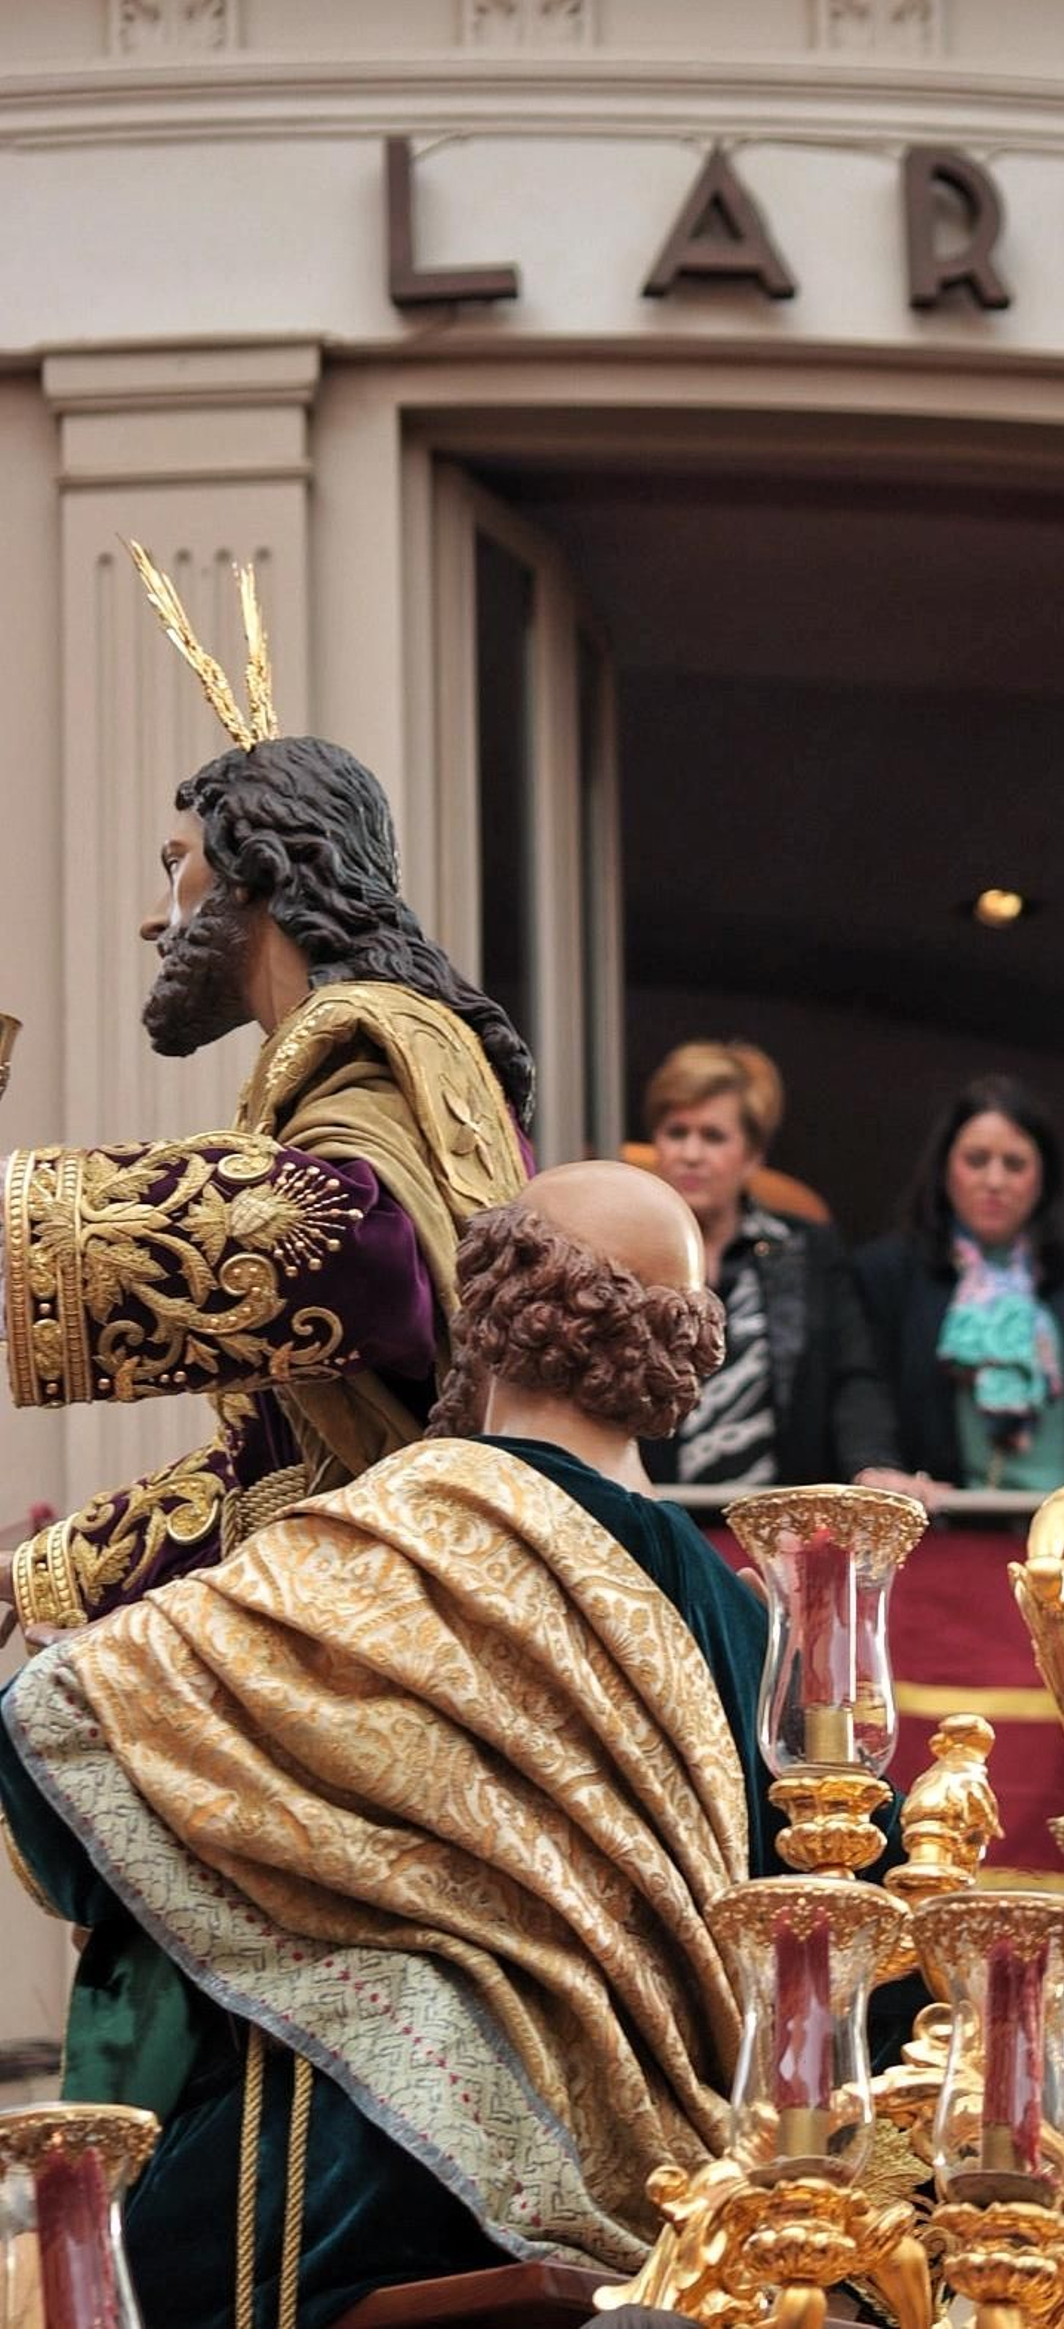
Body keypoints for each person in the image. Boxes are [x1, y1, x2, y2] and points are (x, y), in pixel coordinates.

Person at [0, 1163, 769, 2328]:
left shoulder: (429, 1511)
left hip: (399, 2165)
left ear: (493, 1308)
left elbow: (79, 1747)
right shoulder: (747, 1612)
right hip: (700, 2195)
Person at [1, 545, 532, 1639]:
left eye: (174, 863)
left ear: (257, 869)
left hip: (392, 1616)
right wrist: (44, 1574)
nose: (157, 916)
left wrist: (41, 1229)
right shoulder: (391, 1051)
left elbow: (370, 1258)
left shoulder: (372, 1050)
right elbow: (283, 1466)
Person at [638, 1040, 914, 1493]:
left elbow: (852, 1377)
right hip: (654, 1518)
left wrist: (872, 1464)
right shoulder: (625, 1250)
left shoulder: (807, 1251)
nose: (690, 1153)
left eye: (712, 1136)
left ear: (752, 1156)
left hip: (778, 1527)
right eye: (675, 1131)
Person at [854, 1075, 1064, 1496]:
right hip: (950, 1529)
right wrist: (878, 1468)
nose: (995, 1181)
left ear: (1044, 1178)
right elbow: (863, 1389)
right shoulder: (887, 1270)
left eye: (1015, 1164)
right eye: (976, 1159)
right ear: (945, 1167)